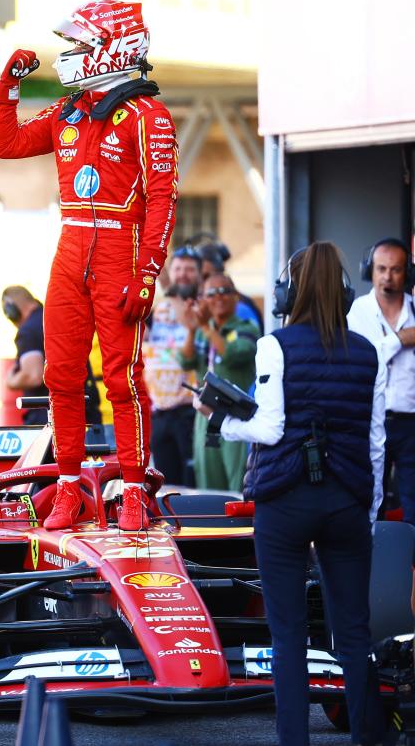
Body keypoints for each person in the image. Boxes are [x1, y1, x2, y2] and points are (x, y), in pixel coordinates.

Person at [0, 0, 178, 530]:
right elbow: (4, 144)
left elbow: (164, 199)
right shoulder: (68, 111)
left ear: (111, 47)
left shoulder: (149, 117)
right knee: (60, 375)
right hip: (70, 249)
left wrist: (148, 273)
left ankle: (135, 490)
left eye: (79, 44)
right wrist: (8, 85)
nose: (70, 53)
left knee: (123, 379)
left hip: (123, 251)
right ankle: (68, 486)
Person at [195, 242, 385, 746]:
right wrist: (367, 511)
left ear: (291, 291)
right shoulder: (369, 351)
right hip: (347, 502)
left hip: (286, 503)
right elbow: (376, 441)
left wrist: (220, 420)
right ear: (344, 292)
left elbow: (271, 427)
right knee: (353, 634)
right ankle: (370, 736)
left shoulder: (274, 345)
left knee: (288, 637)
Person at [347, 237, 415, 523]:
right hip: (371, 419)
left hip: (411, 422)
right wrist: (401, 339)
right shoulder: (357, 312)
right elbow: (363, 358)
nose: (387, 276)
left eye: (396, 269)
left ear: (407, 274)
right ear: (370, 271)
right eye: (381, 268)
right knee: (369, 497)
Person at [177, 273, 258, 491]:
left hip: (236, 415)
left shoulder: (246, 327)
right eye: (212, 293)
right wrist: (192, 329)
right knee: (207, 484)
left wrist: (204, 327)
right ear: (203, 299)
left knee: (238, 482)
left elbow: (233, 354)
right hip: (206, 415)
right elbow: (185, 361)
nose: (219, 297)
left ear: (235, 297)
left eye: (225, 291)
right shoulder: (203, 331)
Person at [2, 285, 100, 427]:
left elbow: (33, 376)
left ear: (11, 310)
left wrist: (10, 380)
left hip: (50, 423)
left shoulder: (28, 330)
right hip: (86, 413)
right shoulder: (58, 320)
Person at [143, 245, 200, 486]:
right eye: (178, 268)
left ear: (200, 274)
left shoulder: (203, 305)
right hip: (159, 410)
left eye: (189, 269)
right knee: (165, 485)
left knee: (191, 483)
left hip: (190, 410)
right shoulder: (159, 308)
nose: (183, 274)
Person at [196, 239, 264, 333]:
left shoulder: (240, 308)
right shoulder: (199, 306)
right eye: (198, 277)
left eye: (206, 276)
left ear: (220, 274)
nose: (201, 283)